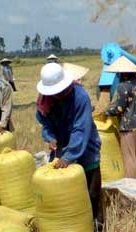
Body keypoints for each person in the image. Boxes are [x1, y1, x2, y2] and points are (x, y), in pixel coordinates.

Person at [35, 63, 102, 221]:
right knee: (64, 196)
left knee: (91, 194)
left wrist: (69, 157)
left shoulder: (80, 97)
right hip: (61, 149)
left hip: (86, 148)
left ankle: (96, 225)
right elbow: (45, 125)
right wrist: (50, 137)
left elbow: (81, 129)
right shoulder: (45, 102)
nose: (59, 95)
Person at [101, 56, 136, 180]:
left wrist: (105, 112)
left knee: (129, 158)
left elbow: (118, 108)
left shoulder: (122, 87)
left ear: (122, 73)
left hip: (129, 127)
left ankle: (132, 187)